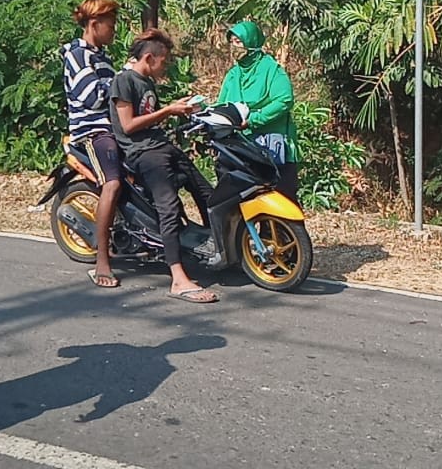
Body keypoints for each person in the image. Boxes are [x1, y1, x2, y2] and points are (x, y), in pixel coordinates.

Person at [109, 28, 219, 303]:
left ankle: (216, 248)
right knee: (168, 208)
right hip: (142, 153)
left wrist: (178, 110)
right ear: (149, 58)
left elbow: (151, 118)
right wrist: (167, 110)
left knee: (207, 192)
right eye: (164, 61)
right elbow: (128, 125)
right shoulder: (124, 81)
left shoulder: (146, 81)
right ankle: (178, 278)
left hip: (161, 146)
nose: (166, 66)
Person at [62, 0, 123, 288]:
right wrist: (123, 79)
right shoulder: (77, 55)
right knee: (112, 183)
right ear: (94, 24)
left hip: (115, 130)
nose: (114, 31)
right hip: (92, 133)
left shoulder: (102, 56)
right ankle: (102, 260)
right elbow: (93, 97)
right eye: (110, 25)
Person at [216, 21, 301, 204]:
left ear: (251, 43)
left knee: (280, 201)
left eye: (239, 42)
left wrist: (254, 119)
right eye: (232, 42)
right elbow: (222, 104)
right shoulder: (233, 75)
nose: (234, 47)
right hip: (241, 146)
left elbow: (284, 100)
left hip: (273, 145)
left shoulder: (271, 70)